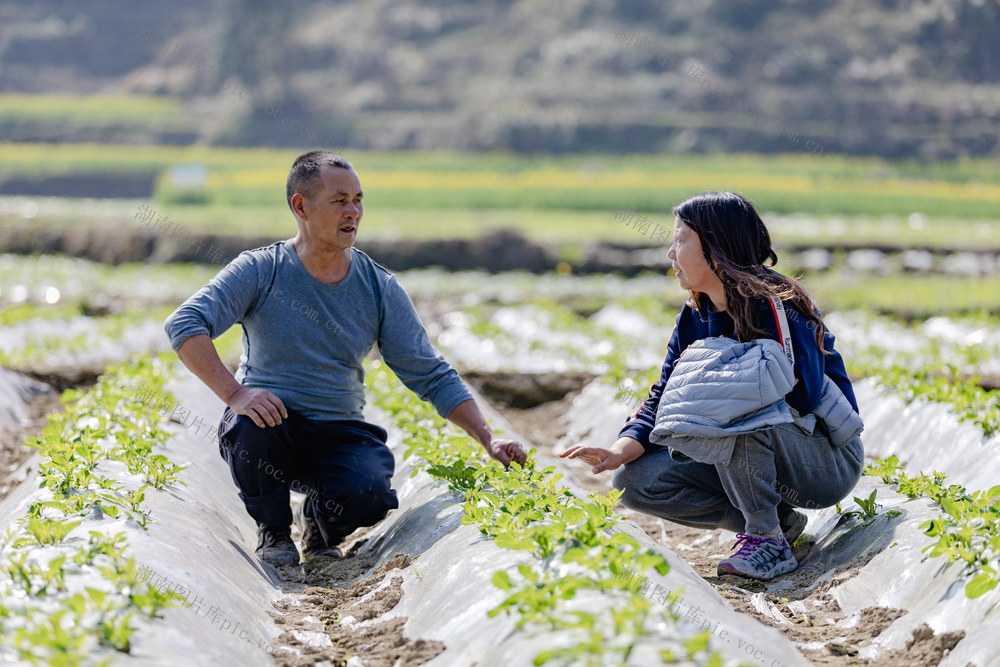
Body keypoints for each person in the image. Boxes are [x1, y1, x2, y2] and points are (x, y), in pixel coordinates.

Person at [164, 151, 527, 567]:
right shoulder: (261, 270)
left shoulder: (379, 287)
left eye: (358, 199)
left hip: (339, 428)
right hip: (273, 425)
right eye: (339, 200)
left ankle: (320, 522)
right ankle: (274, 530)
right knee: (251, 427)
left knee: (369, 493)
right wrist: (235, 394)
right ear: (301, 206)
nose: (353, 212)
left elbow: (430, 373)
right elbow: (185, 323)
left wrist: (488, 437)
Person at [560, 191, 864, 581]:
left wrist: (721, 390)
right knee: (635, 482)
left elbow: (803, 393)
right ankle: (778, 523)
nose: (671, 253)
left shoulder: (775, 304)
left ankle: (767, 540)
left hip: (823, 458)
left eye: (681, 240)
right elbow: (666, 394)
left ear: (716, 248)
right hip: (756, 452)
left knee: (736, 419)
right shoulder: (695, 316)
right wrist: (620, 449)